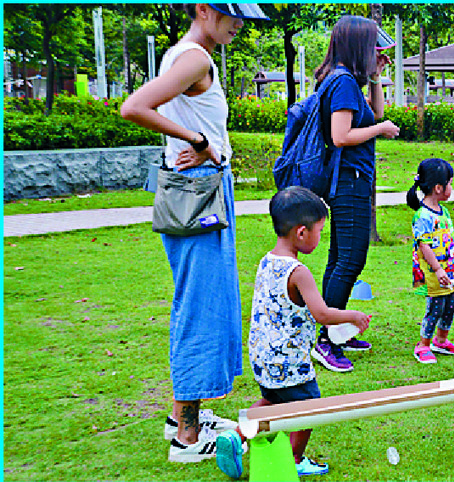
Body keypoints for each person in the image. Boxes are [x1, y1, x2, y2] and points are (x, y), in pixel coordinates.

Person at [119, 3, 269, 463]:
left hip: (202, 192)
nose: (240, 23)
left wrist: (201, 143)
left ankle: (185, 416)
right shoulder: (195, 58)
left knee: (200, 301)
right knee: (200, 307)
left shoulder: (185, 55)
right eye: (232, 13)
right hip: (198, 197)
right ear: (204, 9)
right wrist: (198, 141)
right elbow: (134, 107)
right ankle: (187, 438)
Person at [215, 187, 372, 479]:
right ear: (301, 233)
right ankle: (294, 459)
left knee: (273, 400)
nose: (320, 237)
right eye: (319, 231)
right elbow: (322, 314)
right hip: (289, 363)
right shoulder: (299, 272)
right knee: (310, 409)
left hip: (263, 357)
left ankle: (236, 436)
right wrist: (353, 316)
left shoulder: (266, 261)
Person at [310, 15, 400, 373]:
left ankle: (336, 330)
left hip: (352, 179)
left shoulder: (346, 80)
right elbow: (341, 136)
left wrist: (376, 79)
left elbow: (374, 112)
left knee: (340, 257)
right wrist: (381, 129)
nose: (379, 54)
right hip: (348, 181)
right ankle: (327, 340)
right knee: (350, 258)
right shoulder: (344, 82)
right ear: (358, 47)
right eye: (374, 49)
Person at [407, 159, 454, 364]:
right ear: (438, 188)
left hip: (450, 269)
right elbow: (424, 246)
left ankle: (441, 340)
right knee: (436, 307)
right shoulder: (423, 216)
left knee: (451, 304)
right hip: (434, 272)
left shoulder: (443, 211)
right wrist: (438, 269)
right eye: (450, 183)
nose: (451, 187)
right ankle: (423, 345)